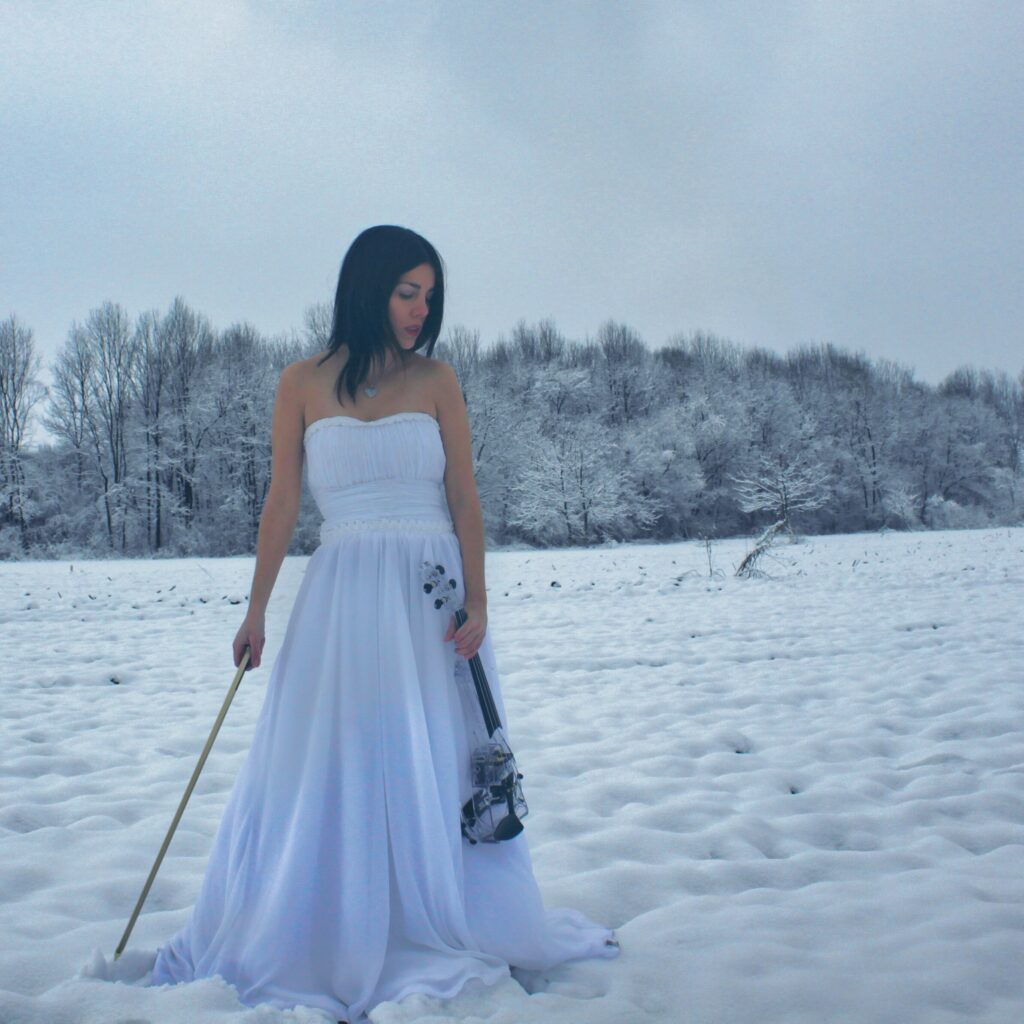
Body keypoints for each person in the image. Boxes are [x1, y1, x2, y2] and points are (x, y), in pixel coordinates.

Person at [145, 225, 620, 1023]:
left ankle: (433, 911)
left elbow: (465, 495)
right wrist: (256, 609)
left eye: (430, 296)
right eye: (407, 292)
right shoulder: (300, 382)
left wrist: (480, 600)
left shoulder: (438, 379)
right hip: (340, 596)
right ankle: (331, 920)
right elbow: (283, 502)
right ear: (366, 289)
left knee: (431, 752)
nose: (420, 309)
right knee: (336, 756)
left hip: (430, 598)